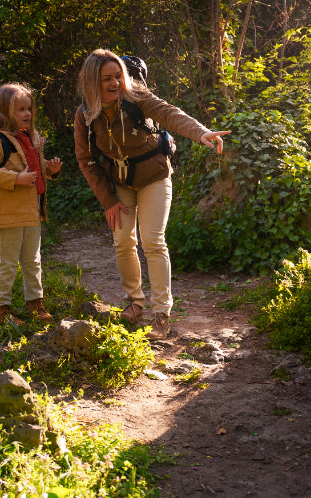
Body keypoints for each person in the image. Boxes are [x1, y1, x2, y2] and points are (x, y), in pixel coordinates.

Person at [74, 49, 230, 339]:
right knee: (123, 241)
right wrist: (108, 201)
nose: (115, 83)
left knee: (153, 241)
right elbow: (86, 161)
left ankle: (161, 314)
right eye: (106, 78)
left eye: (118, 75)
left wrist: (201, 133)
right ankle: (135, 303)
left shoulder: (137, 97)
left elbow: (170, 114)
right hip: (119, 183)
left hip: (154, 176)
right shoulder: (85, 115)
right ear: (92, 83)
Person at [0, 83, 62, 324]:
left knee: (33, 261)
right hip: (6, 213)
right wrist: (16, 179)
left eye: (28, 109)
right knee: (7, 263)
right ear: (4, 112)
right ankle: (0, 310)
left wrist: (50, 170)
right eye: (20, 110)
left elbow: (33, 170)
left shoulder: (27, 138)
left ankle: (35, 304)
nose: (27, 114)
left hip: (30, 211)